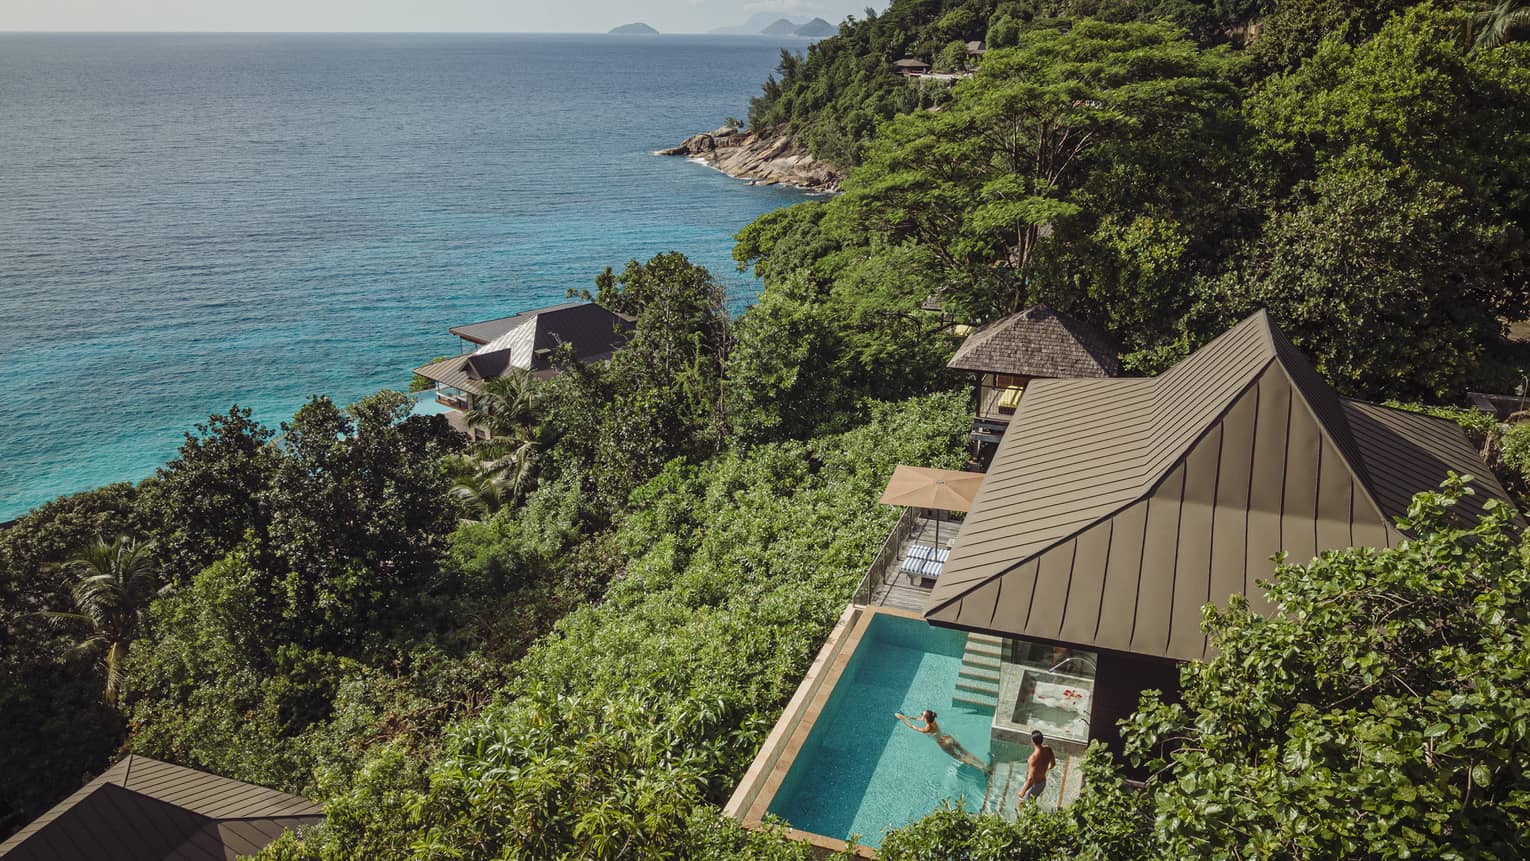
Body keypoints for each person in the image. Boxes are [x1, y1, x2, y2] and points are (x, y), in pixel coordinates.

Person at [894, 709, 989, 771]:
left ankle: (980, 768)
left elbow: (913, 727)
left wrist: (902, 719)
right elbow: (919, 719)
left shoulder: (927, 728)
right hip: (948, 737)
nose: (920, 715)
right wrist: (907, 716)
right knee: (964, 751)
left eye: (922, 714)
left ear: (925, 718)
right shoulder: (933, 720)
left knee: (959, 757)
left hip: (943, 743)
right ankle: (983, 763)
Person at [1017, 730, 1055, 804]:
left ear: (1032, 741)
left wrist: (1023, 791)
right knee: (1031, 803)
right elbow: (1053, 764)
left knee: (1022, 804)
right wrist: (1044, 770)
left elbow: (1030, 779)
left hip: (1035, 785)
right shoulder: (1048, 749)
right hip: (1043, 782)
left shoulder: (1033, 758)